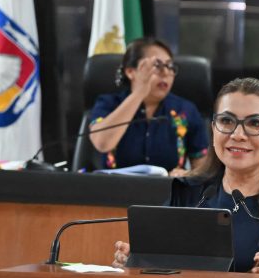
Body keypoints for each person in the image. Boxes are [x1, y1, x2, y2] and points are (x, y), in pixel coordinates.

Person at [112, 77, 259, 278]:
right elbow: (158, 271)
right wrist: (136, 261)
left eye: (255, 123)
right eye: (226, 121)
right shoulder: (189, 194)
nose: (238, 134)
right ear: (213, 129)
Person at [88, 37, 208, 176]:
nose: (166, 72)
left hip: (168, 188)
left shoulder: (185, 110)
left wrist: (187, 175)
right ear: (130, 72)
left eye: (170, 66)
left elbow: (204, 171)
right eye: (157, 65)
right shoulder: (108, 103)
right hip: (115, 188)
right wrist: (139, 93)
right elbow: (102, 144)